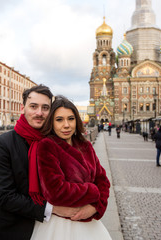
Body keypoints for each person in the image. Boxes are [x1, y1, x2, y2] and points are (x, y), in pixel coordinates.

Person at [0, 85, 79, 240]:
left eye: (45, 108)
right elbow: (5, 197)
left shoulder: (57, 143)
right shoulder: (2, 144)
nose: (39, 113)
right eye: (33, 106)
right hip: (10, 232)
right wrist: (53, 209)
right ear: (23, 108)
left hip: (49, 231)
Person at [31, 96, 111, 240]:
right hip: (60, 226)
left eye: (71, 119)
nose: (66, 125)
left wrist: (95, 207)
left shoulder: (84, 145)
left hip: (89, 222)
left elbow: (102, 180)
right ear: (52, 123)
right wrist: (93, 191)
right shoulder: (48, 145)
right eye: (59, 120)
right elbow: (54, 191)